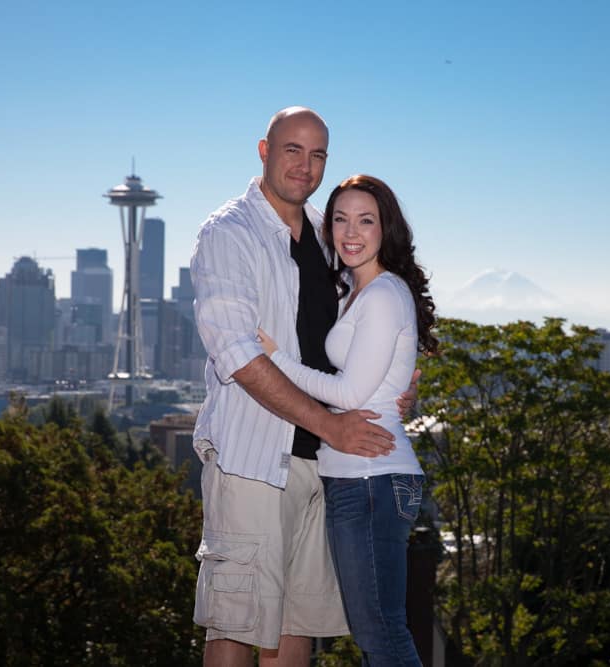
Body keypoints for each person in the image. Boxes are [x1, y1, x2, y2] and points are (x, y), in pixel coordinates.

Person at [190, 107, 414, 667]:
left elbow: (365, 330)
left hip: (329, 467)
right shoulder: (229, 232)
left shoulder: (326, 233)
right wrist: (328, 423)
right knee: (238, 626)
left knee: (297, 630)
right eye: (292, 149)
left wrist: (392, 388)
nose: (305, 165)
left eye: (318, 155)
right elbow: (238, 354)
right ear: (264, 151)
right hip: (254, 460)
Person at [258, 174, 438, 666]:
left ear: (386, 229)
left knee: (381, 634)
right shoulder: (355, 290)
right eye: (340, 219)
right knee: (374, 632)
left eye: (365, 220)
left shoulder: (381, 294)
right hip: (354, 477)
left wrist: (274, 359)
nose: (350, 231)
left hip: (372, 479)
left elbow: (351, 392)